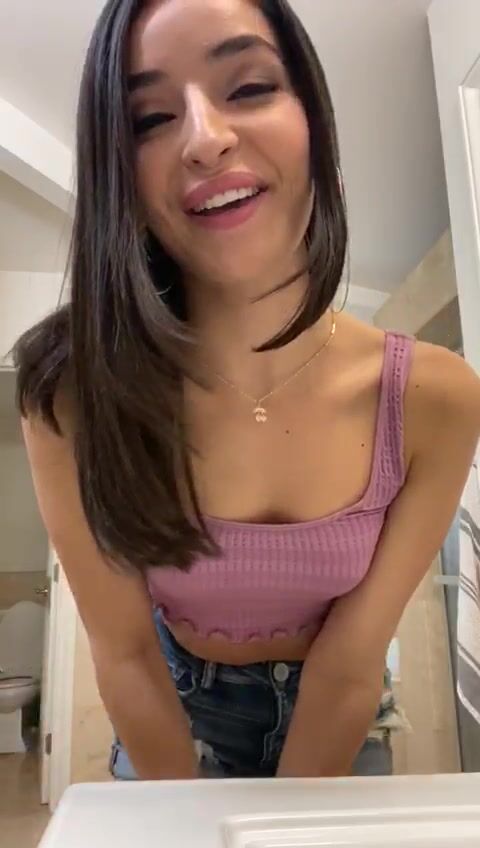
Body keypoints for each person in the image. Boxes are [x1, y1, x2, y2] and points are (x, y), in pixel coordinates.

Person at [15, 0, 480, 781]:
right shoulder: (71, 395)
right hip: (172, 715)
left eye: (251, 87)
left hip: (344, 715)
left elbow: (353, 657)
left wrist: (279, 824)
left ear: (315, 125)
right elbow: (125, 653)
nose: (205, 139)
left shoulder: (436, 398)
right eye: (151, 119)